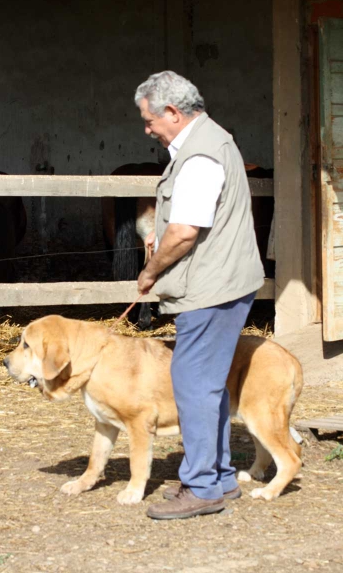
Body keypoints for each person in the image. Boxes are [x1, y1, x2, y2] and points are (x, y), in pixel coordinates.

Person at [135, 71, 264, 520]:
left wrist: (151, 270)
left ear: (173, 112)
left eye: (150, 119)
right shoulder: (212, 141)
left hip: (211, 287)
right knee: (205, 385)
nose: (147, 128)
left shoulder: (200, 156)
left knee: (192, 385)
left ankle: (203, 487)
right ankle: (221, 478)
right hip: (222, 281)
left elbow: (185, 231)